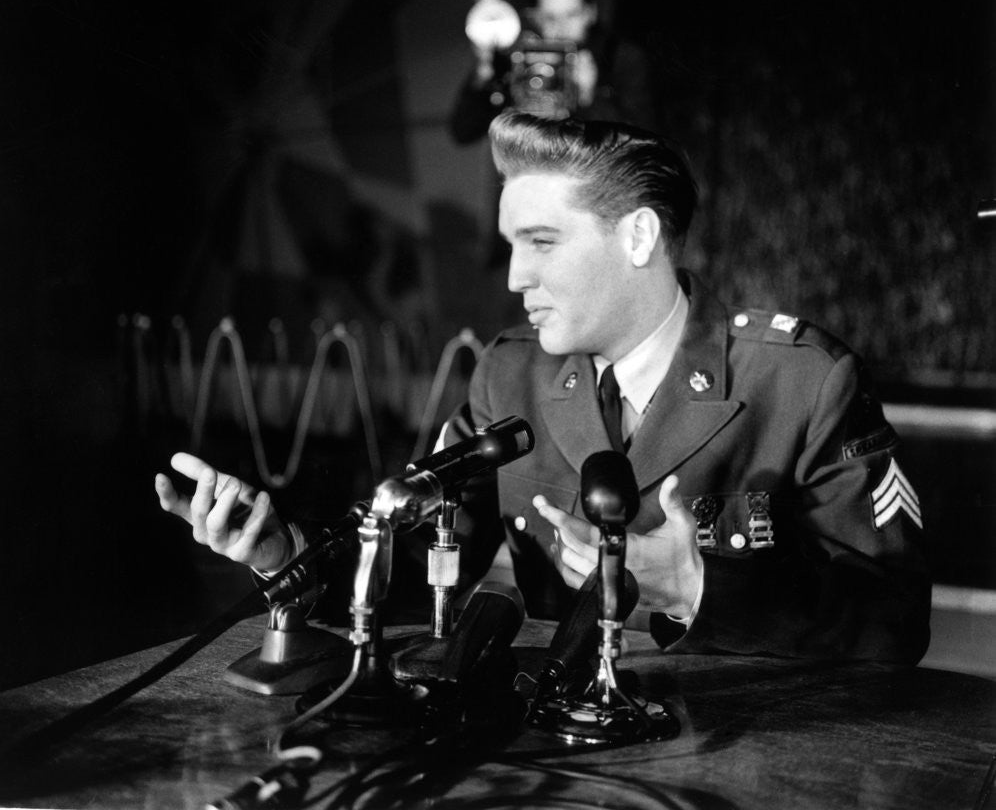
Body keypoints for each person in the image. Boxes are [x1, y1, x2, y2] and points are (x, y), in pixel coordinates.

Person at [156, 112, 931, 663]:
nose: (517, 277)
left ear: (637, 237)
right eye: (511, 246)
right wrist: (280, 550)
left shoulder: (801, 379)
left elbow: (896, 624)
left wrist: (696, 586)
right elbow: (420, 572)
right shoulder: (510, 373)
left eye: (542, 243)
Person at [449, 0, 657, 145]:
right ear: (534, 17)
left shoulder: (619, 56)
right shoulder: (519, 58)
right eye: (550, 18)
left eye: (571, 15)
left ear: (590, 13)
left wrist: (590, 96)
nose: (562, 28)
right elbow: (463, 132)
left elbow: (644, 141)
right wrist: (482, 77)